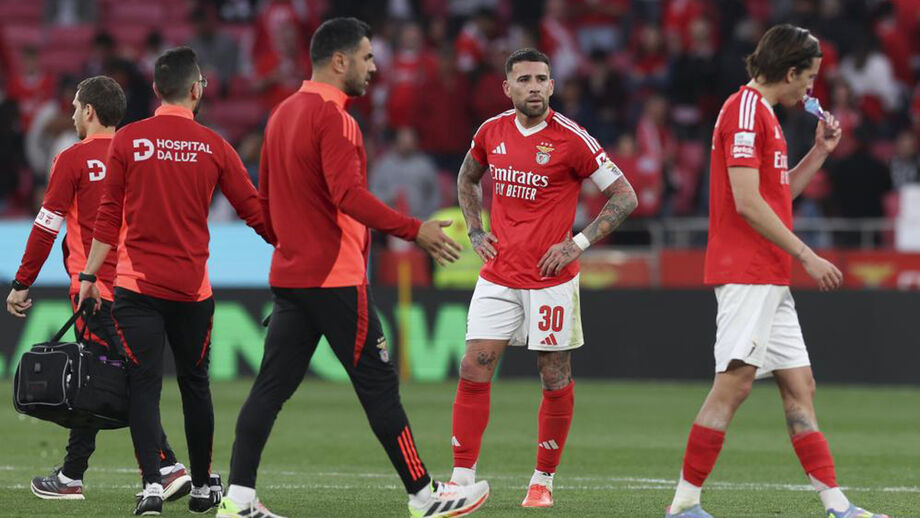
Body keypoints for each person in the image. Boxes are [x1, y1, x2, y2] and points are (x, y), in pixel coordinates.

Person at [219, 17, 490, 518]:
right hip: (336, 278)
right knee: (379, 384)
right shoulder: (337, 118)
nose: (374, 67)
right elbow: (349, 196)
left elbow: (266, 203)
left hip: (292, 277)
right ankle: (423, 496)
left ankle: (237, 499)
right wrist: (415, 230)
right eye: (367, 57)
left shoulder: (281, 114)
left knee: (269, 390)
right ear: (339, 60)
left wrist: (291, 245)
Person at [664, 25, 888, 518]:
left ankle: (837, 505)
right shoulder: (745, 112)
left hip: (769, 272)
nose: (811, 87)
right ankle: (683, 503)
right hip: (747, 270)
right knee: (734, 385)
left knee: (800, 386)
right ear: (789, 72)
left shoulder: (763, 114)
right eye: (809, 76)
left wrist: (820, 152)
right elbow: (747, 203)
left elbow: (775, 194)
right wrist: (807, 254)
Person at [76, 48, 271, 516]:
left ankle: (152, 486)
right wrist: (298, 248)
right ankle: (202, 486)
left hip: (137, 287)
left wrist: (88, 276)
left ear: (155, 89)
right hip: (192, 290)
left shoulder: (128, 140)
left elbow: (108, 217)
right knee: (195, 386)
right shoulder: (215, 145)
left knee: (143, 386)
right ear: (197, 89)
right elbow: (256, 214)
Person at [450, 48, 637, 508]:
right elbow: (467, 178)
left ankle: (542, 480)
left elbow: (625, 195)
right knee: (474, 365)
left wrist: (579, 243)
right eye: (524, 79)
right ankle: (460, 477)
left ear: (552, 86)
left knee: (553, 374)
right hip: (499, 274)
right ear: (507, 87)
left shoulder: (573, 139)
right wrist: (475, 230)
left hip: (552, 279)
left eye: (541, 79)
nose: (534, 87)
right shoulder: (490, 132)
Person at [6, 75, 191, 503]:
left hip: (95, 293)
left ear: (89, 111)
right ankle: (72, 475)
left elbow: (46, 227)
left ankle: (166, 464)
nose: (72, 115)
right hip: (143, 288)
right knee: (101, 378)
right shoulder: (140, 155)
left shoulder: (71, 159)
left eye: (75, 108)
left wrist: (22, 282)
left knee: (112, 379)